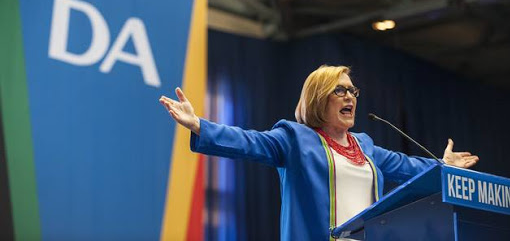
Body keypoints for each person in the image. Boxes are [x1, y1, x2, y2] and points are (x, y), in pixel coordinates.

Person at [159, 65, 479, 240]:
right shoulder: (295, 139)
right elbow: (249, 142)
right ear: (318, 99)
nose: (349, 95)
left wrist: (442, 166)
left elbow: (406, 167)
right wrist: (200, 124)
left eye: (352, 90)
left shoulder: (365, 146)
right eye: (339, 90)